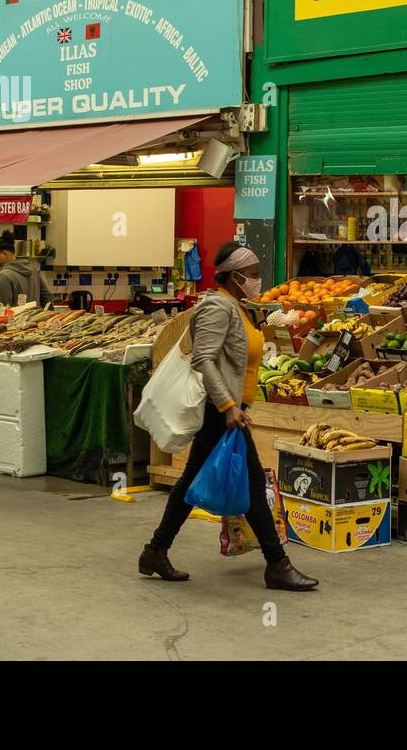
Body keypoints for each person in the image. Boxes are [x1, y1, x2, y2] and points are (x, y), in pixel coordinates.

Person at [139, 242, 318, 592]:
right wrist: (228, 405)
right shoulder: (218, 307)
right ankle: (277, 564)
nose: (256, 280)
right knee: (250, 484)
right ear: (234, 276)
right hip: (220, 412)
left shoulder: (237, 306)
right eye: (251, 275)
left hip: (230, 411)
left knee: (192, 482)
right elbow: (203, 358)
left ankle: (155, 551)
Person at [0, 238, 52, 307]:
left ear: (4, 254)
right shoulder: (33, 270)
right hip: (35, 317)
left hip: (16, 317)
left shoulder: (3, 276)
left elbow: (3, 309)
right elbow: (47, 297)